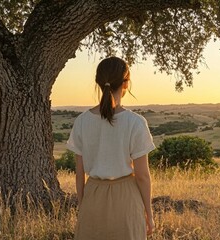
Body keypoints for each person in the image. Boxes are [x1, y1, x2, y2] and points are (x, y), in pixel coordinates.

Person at [67, 56, 156, 240]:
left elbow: (79, 173)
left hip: (93, 197)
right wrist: (149, 213)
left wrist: (83, 207)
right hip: (126, 200)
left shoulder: (82, 121)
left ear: (98, 83)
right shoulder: (135, 123)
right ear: (126, 84)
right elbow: (142, 175)